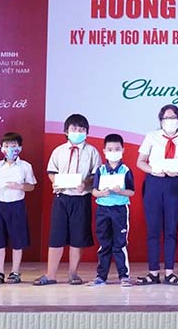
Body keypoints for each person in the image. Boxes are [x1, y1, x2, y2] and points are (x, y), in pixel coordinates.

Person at [33, 114, 102, 286]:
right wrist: (55, 182)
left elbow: (96, 174)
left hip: (81, 199)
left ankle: (73, 274)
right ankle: (51, 275)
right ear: (66, 131)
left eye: (81, 129)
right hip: (61, 198)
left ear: (86, 132)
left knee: (77, 237)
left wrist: (85, 183)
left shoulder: (92, 152)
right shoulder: (58, 151)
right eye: (74, 129)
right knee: (56, 236)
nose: (77, 132)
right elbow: (52, 172)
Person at [134, 104, 178, 285]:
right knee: (153, 229)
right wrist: (153, 170)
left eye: (173, 117)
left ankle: (170, 272)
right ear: (161, 120)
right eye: (166, 118)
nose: (170, 121)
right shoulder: (151, 136)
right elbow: (140, 161)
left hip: (174, 184)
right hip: (154, 183)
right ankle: (153, 272)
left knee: (171, 229)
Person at [0, 132, 35, 284]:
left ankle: (15, 272)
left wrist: (19, 186)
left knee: (17, 240)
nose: (10, 149)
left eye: (13, 146)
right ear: (2, 148)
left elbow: (31, 186)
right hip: (0, 205)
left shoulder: (25, 166)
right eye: (6, 146)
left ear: (20, 148)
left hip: (16, 205)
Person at [90, 134, 135, 286]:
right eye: (110, 149)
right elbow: (94, 190)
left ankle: (124, 276)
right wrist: (100, 193)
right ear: (104, 151)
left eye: (117, 149)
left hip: (120, 210)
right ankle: (101, 276)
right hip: (103, 210)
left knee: (120, 244)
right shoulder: (100, 170)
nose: (113, 152)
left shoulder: (126, 170)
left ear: (122, 150)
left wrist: (120, 191)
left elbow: (131, 192)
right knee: (104, 244)